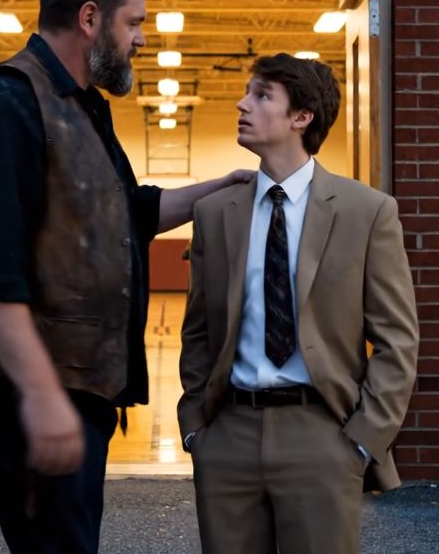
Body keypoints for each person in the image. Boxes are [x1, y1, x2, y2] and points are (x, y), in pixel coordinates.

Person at [0, 0, 252, 554]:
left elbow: (129, 211)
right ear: (89, 19)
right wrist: (42, 396)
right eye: (134, 22)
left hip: (74, 387)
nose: (141, 39)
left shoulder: (80, 107)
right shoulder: (4, 103)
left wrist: (221, 188)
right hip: (28, 394)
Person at [178, 53, 419, 554]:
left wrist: (362, 440)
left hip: (322, 436)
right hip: (228, 438)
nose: (243, 104)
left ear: (302, 117)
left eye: (262, 95)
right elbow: (198, 330)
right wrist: (196, 428)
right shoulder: (215, 213)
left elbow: (397, 340)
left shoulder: (367, 212)